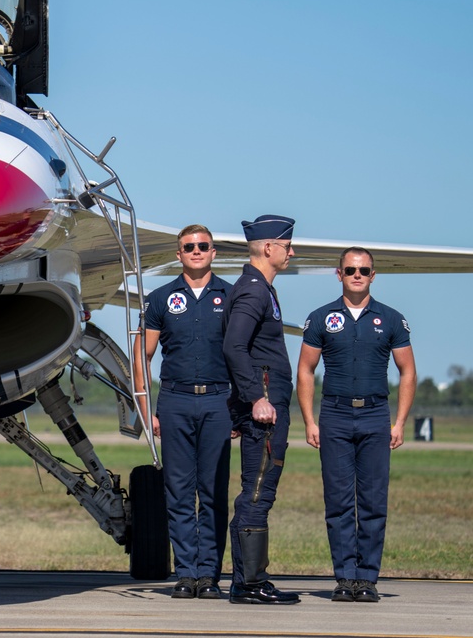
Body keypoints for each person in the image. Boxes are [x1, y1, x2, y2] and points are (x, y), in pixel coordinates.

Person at [296, 247, 416, 603]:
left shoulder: (392, 319)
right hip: (333, 415)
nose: (357, 275)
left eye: (363, 270)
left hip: (376, 415)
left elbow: (407, 372)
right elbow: (305, 371)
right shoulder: (321, 318)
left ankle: (367, 578)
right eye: (350, 270)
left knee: (374, 501)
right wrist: (308, 420)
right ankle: (345, 577)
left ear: (373, 275)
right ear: (339, 274)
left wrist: (400, 423)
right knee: (337, 502)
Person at [134, 224, 233, 600]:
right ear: (178, 254)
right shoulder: (160, 298)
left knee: (212, 491)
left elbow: (244, 357)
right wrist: (146, 410)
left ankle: (208, 574)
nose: (196, 251)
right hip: (173, 402)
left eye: (203, 246)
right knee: (178, 491)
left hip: (217, 401)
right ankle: (186, 573)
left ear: (213, 252)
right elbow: (141, 356)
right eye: (189, 246)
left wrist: (240, 407)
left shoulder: (232, 295)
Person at [221, 214, 300, 605]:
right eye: (287, 246)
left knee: (258, 490)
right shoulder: (254, 291)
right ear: (269, 248)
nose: (292, 252)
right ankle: (249, 584)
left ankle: (249, 580)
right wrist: (256, 399)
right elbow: (234, 347)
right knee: (256, 492)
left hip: (264, 402)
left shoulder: (259, 287)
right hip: (264, 408)